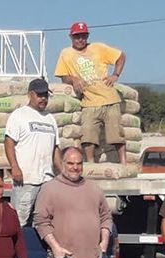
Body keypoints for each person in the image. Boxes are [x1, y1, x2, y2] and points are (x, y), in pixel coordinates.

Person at [54, 21, 127, 164]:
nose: (80, 39)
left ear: (87, 36)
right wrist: (73, 79)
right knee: (87, 134)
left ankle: (124, 162)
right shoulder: (66, 54)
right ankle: (90, 163)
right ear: (71, 37)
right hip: (89, 101)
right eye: (77, 36)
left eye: (83, 36)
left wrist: (115, 75)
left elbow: (121, 56)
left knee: (116, 134)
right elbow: (62, 76)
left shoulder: (98, 47)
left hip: (109, 98)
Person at [4, 78, 62, 226]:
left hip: (46, 180)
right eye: (40, 95)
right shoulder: (19, 115)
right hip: (26, 179)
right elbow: (9, 142)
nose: (43, 99)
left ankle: (39, 249)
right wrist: (14, 167)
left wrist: (62, 172)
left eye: (46, 95)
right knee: (19, 221)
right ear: (30, 94)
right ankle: (18, 249)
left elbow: (55, 148)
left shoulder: (50, 119)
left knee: (44, 221)